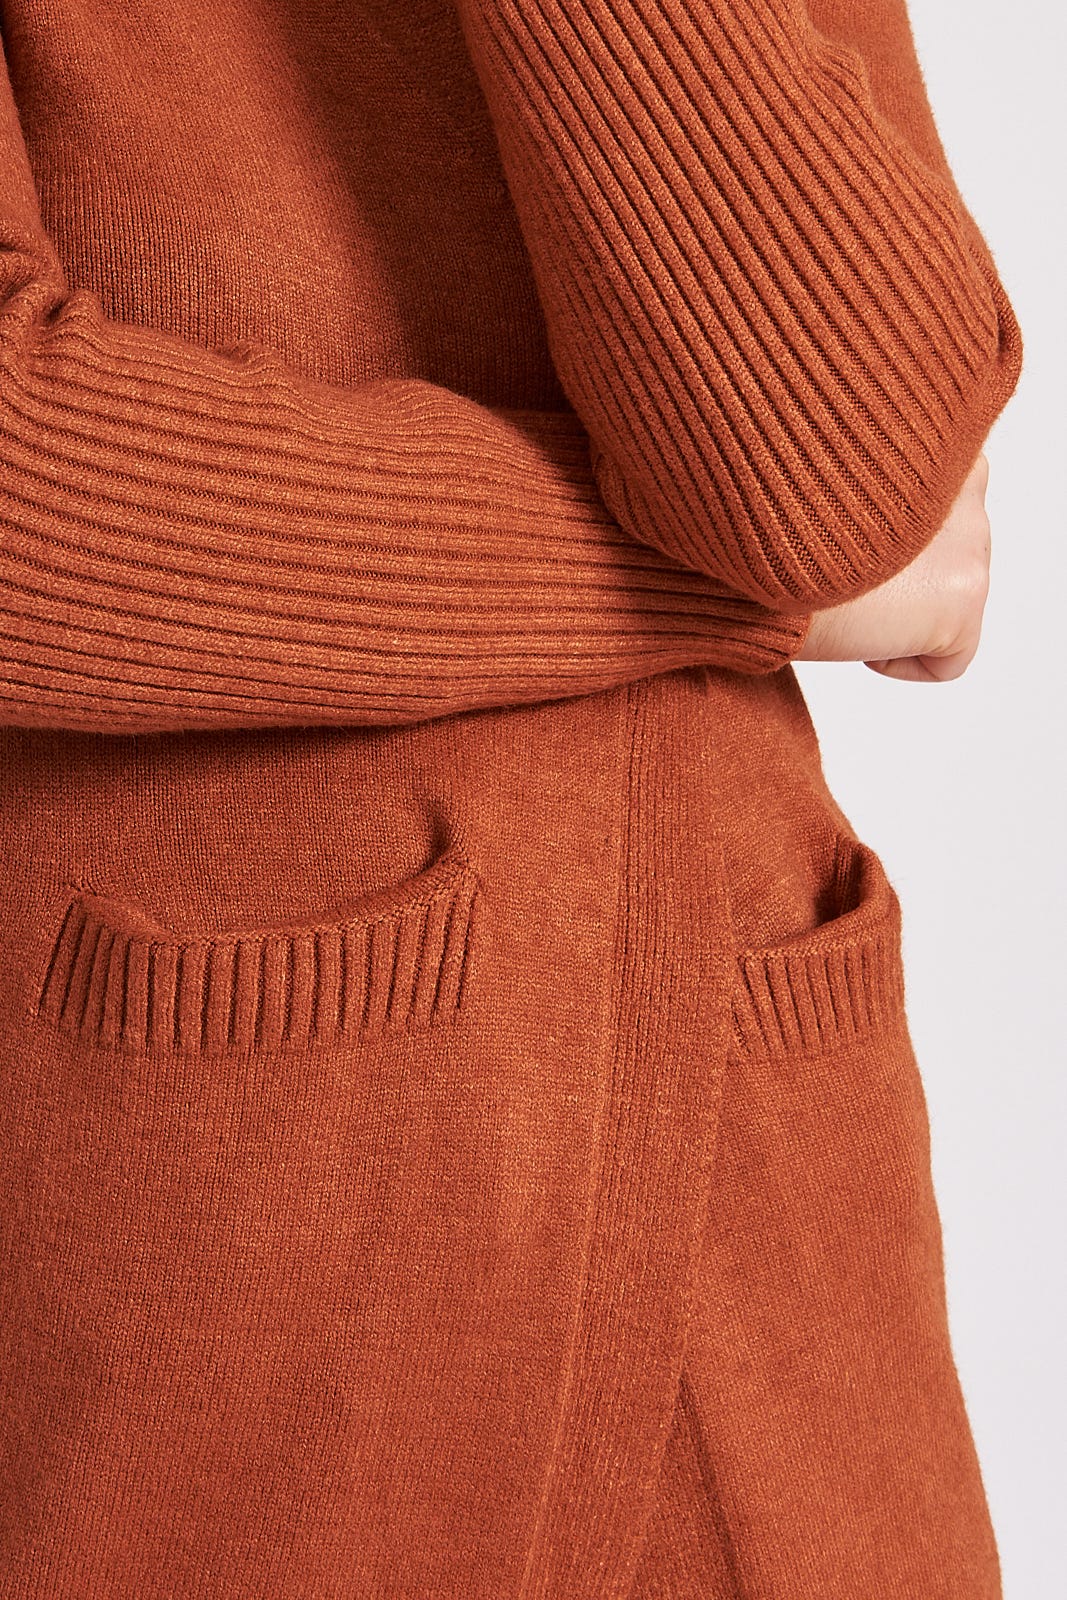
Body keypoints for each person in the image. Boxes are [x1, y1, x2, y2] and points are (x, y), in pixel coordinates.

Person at [0, 1, 1021, 1595]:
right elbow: (29, 514)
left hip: (770, 1219)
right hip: (227, 1263)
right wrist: (716, 605)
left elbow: (840, 488)